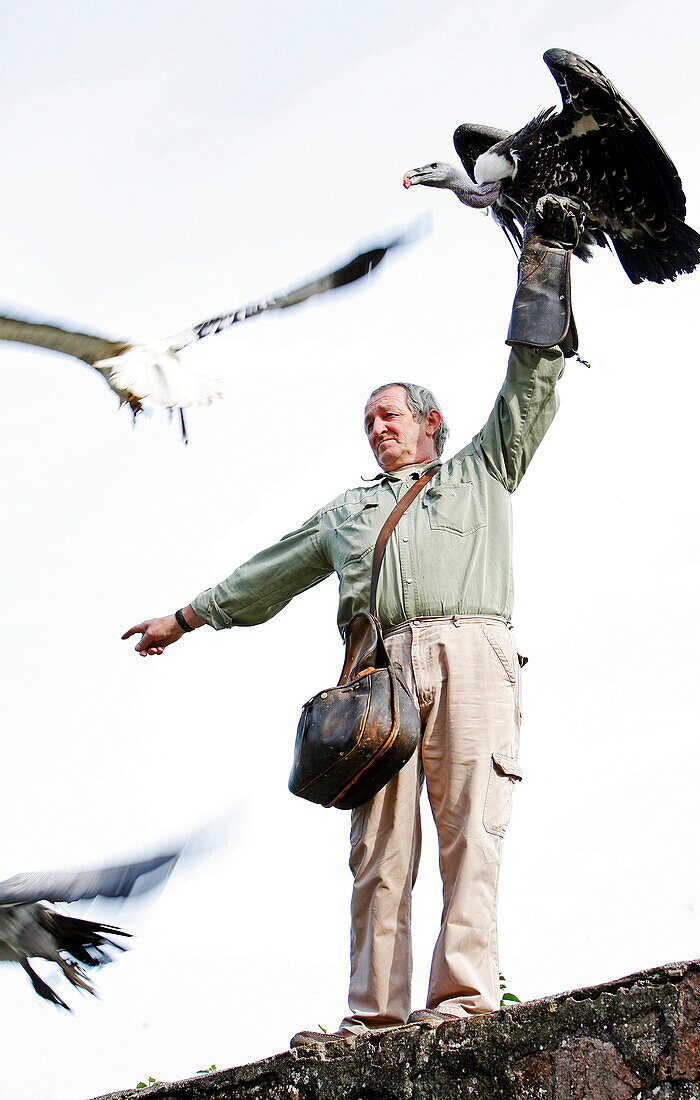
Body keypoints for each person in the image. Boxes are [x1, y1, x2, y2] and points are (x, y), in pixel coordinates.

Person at [123, 195, 584, 1046]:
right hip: (379, 676)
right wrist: (184, 617)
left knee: (471, 831)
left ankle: (462, 1000)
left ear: (429, 424)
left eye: (390, 417)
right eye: (368, 422)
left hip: (475, 652)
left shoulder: (482, 469)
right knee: (378, 851)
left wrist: (545, 262)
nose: (377, 431)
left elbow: (531, 382)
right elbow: (271, 571)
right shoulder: (346, 511)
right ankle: (373, 1016)